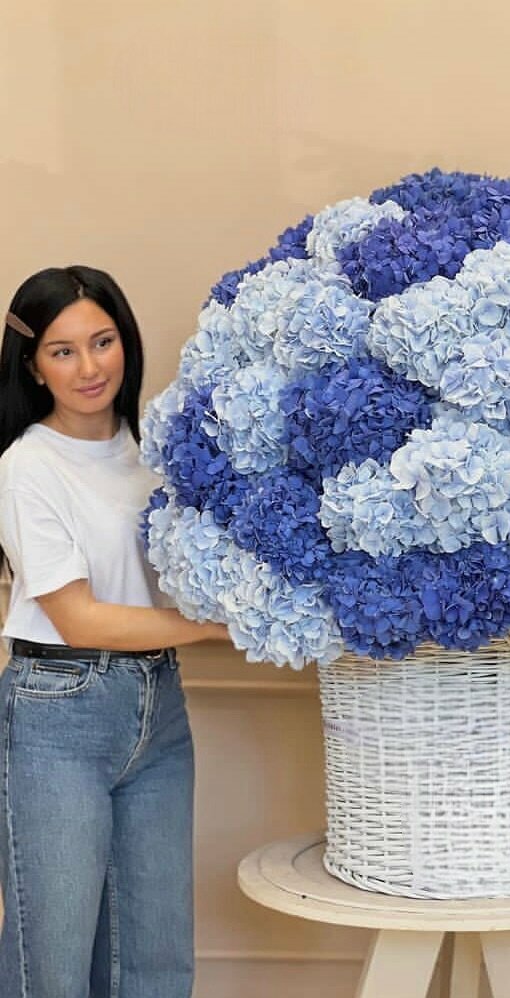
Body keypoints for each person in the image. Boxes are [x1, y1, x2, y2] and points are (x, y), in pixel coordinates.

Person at [0, 266, 227, 998]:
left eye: (102, 341)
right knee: (54, 964)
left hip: (158, 704)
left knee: (156, 959)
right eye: (63, 351)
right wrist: (219, 627)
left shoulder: (152, 451)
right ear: (33, 366)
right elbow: (79, 617)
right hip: (58, 711)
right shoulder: (27, 466)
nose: (89, 367)